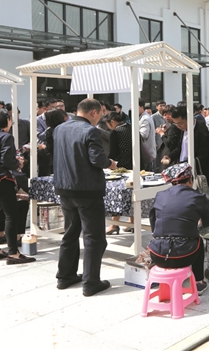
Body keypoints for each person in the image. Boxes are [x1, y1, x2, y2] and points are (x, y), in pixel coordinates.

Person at [53, 98, 117, 296]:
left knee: (70, 234)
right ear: (93, 112)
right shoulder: (90, 131)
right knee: (94, 238)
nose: (100, 119)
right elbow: (97, 159)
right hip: (87, 190)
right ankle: (91, 282)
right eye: (100, 114)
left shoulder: (59, 129)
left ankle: (65, 277)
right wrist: (110, 163)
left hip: (65, 188)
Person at [148, 163, 209, 296]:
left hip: (158, 255)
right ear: (190, 180)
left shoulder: (160, 195)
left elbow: (154, 222)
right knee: (198, 241)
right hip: (185, 256)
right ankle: (199, 282)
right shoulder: (197, 197)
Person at [0, 108, 35, 265]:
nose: (11, 122)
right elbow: (7, 160)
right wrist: (17, 163)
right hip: (3, 179)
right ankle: (13, 253)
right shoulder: (6, 137)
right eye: (9, 119)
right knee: (11, 215)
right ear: (5, 121)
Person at [105, 111, 133, 235]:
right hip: (136, 165)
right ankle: (132, 222)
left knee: (117, 196)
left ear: (112, 122)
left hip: (120, 167)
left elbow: (113, 153)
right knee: (133, 195)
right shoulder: (132, 128)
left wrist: (108, 163)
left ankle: (114, 225)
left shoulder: (116, 132)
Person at [138, 98, 157, 172]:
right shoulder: (141, 117)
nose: (132, 109)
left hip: (148, 154)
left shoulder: (145, 119)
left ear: (142, 107)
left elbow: (143, 135)